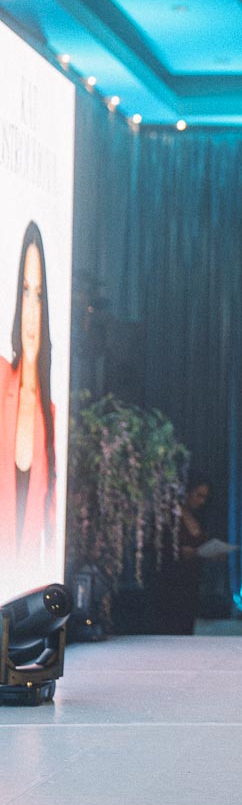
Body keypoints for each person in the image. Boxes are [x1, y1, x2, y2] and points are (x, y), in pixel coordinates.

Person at [0, 222, 56, 577]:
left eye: (39, 295)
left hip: (25, 587)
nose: (32, 311)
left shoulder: (51, 415)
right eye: (25, 292)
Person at [150, 477, 215, 634]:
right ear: (187, 493)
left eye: (205, 497)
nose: (202, 501)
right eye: (199, 495)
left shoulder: (197, 517)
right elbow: (156, 545)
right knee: (170, 626)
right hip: (170, 582)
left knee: (186, 625)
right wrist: (180, 552)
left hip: (190, 583)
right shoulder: (169, 516)